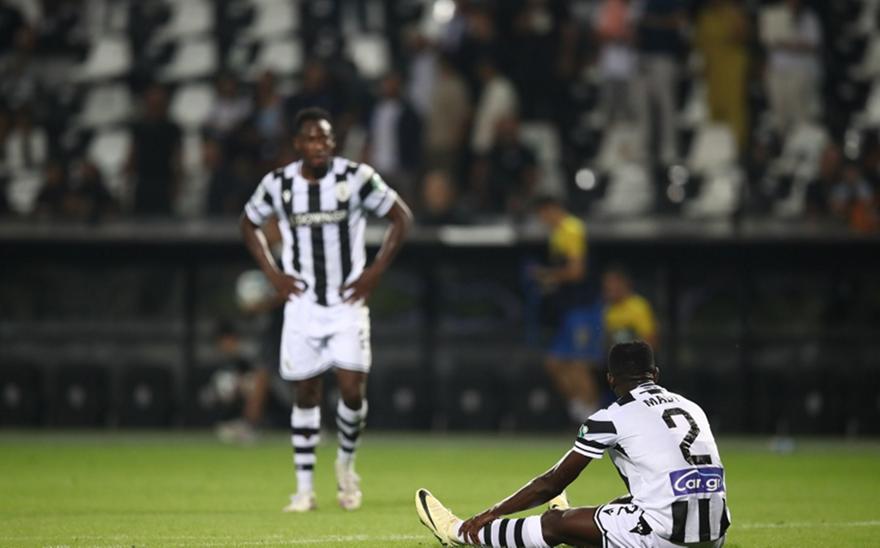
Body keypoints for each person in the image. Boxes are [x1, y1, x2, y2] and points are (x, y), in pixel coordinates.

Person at [240, 107, 412, 512]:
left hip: (347, 302)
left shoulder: (356, 177)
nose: (319, 145)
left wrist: (374, 273)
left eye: (326, 138)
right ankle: (303, 489)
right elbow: (248, 223)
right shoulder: (279, 184)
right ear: (297, 144)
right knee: (306, 392)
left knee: (351, 390)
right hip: (302, 305)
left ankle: (346, 466)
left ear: (333, 143)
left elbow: (401, 217)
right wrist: (273, 274)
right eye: (311, 139)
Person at [416, 340, 731, 548]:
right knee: (623, 504)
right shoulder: (692, 407)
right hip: (715, 535)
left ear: (610, 379)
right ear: (656, 374)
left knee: (555, 523)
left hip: (668, 538)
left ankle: (459, 533)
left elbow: (551, 484)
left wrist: (490, 514)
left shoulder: (611, 417)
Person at [530, 196, 602, 423]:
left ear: (552, 209)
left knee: (579, 365)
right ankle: (580, 410)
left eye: (543, 213)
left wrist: (549, 275)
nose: (542, 219)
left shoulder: (571, 229)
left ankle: (596, 420)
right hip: (569, 310)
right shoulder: (557, 234)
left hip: (584, 308)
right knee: (556, 362)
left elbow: (577, 271)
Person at [603, 266, 659, 349]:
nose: (609, 286)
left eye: (613, 282)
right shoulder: (606, 309)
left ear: (623, 283)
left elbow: (652, 340)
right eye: (607, 283)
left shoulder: (638, 306)